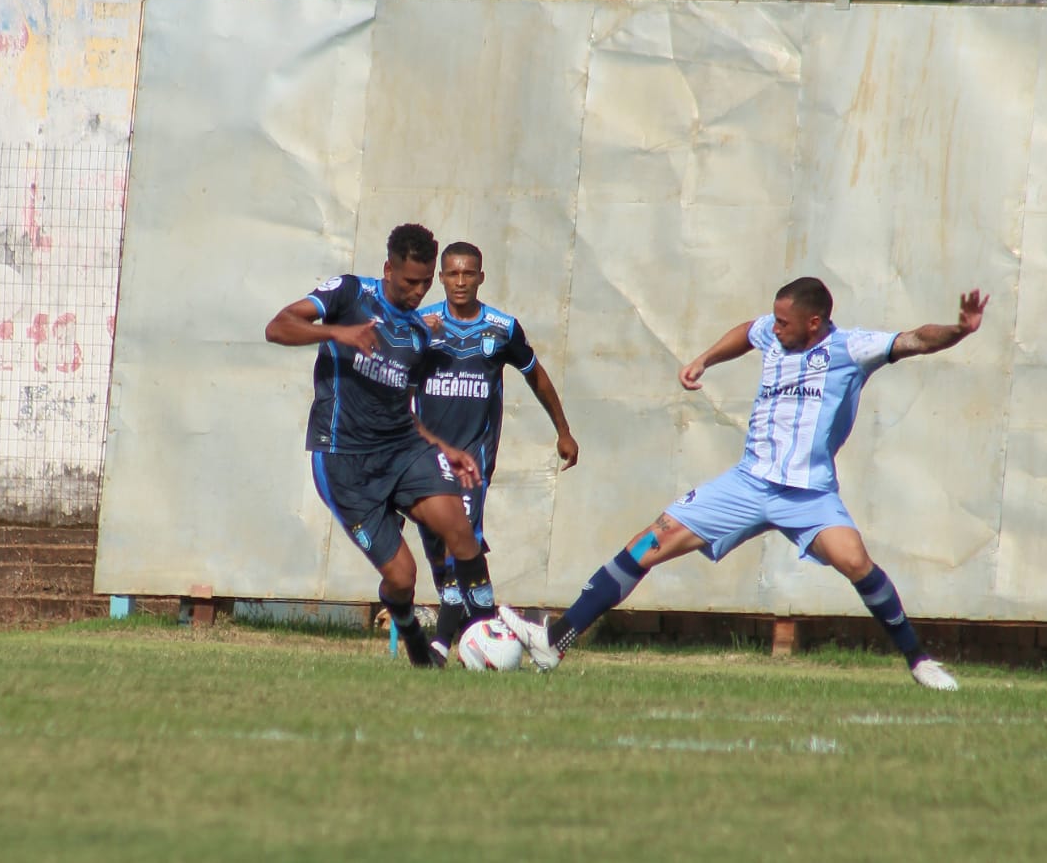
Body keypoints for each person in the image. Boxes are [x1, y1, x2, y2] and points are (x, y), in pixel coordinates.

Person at [500, 277, 989, 691]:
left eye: (784, 322)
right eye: (774, 320)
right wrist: (705, 359)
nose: (773, 328)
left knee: (855, 561)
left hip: (810, 494)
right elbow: (747, 332)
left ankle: (919, 661)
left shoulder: (850, 348)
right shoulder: (773, 336)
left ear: (814, 323)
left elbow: (916, 340)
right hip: (748, 482)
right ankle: (555, 642)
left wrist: (959, 330)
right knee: (651, 540)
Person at [264, 223, 487, 668]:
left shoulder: (419, 335)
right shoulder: (348, 295)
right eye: (410, 281)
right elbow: (277, 327)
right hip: (345, 460)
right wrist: (336, 334)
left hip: (402, 449)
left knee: (459, 528)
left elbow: (402, 410)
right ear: (388, 269)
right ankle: (419, 649)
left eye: (427, 282)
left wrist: (444, 448)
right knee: (403, 578)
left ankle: (488, 629)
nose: (420, 291)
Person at [414, 241, 579, 664]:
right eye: (453, 274)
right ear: (442, 278)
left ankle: (437, 646)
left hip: (473, 460)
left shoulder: (501, 328)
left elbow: (536, 377)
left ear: (481, 277)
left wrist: (563, 431)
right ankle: (490, 625)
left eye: (469, 274)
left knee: (459, 544)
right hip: (423, 458)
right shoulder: (421, 324)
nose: (461, 281)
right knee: (442, 561)